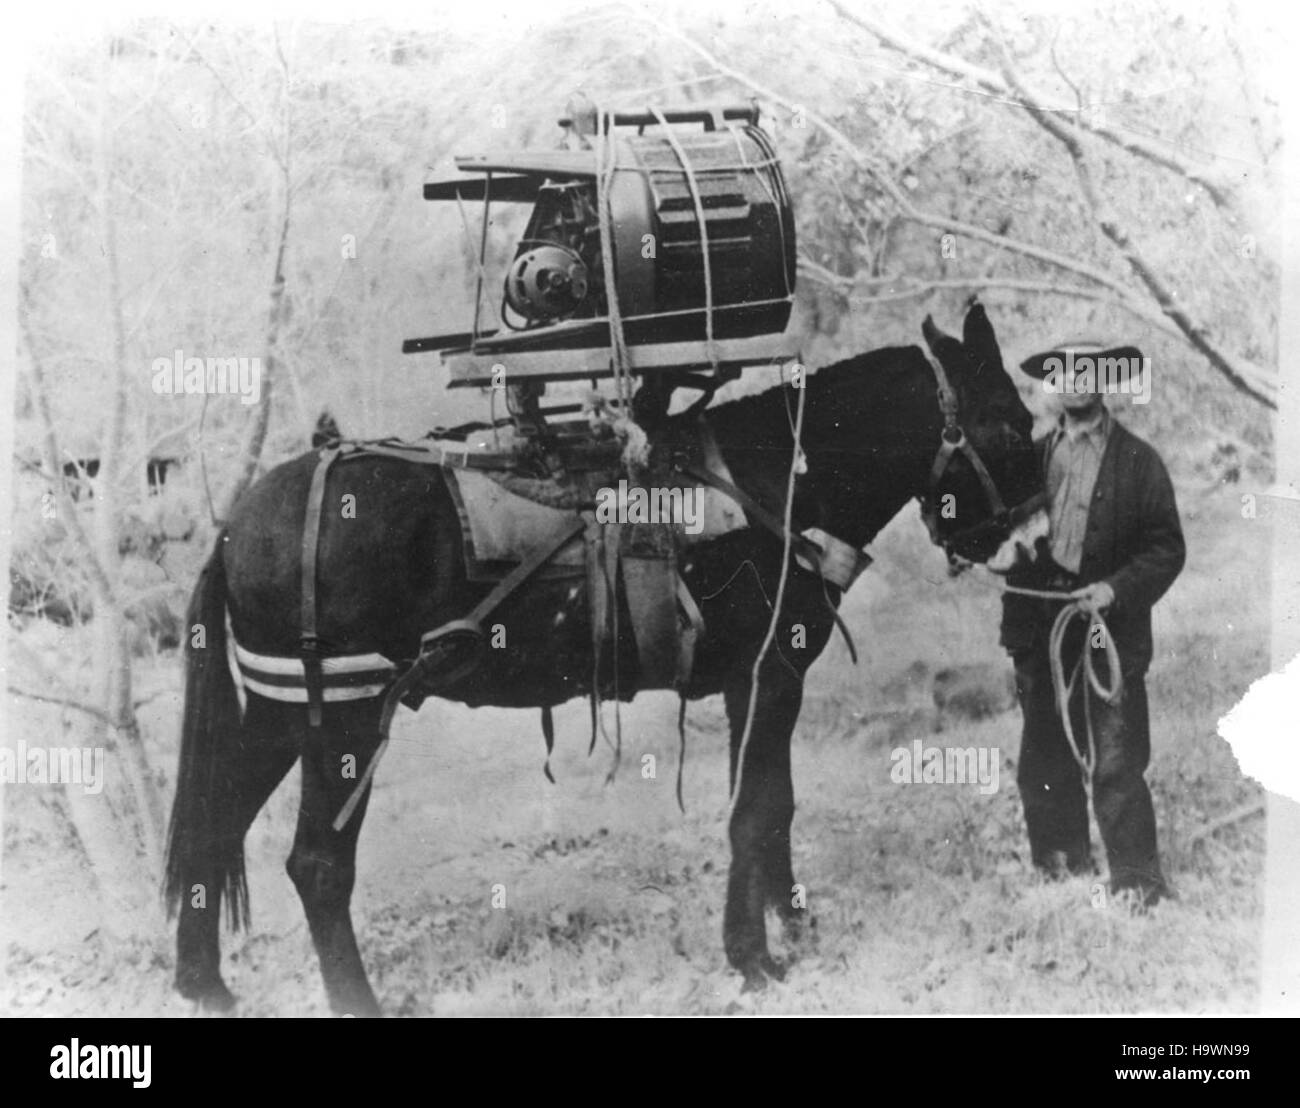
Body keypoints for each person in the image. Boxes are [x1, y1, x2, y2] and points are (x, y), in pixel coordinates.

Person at [1001, 341, 1185, 908]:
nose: (1075, 381)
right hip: (1040, 626)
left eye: (1088, 371)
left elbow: (1166, 548)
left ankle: (1136, 883)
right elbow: (998, 530)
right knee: (1044, 750)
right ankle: (1062, 868)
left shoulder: (1139, 461)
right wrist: (995, 546)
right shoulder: (1027, 460)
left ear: (1105, 380)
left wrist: (1115, 589)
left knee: (1116, 754)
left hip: (1108, 628)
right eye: (1064, 372)